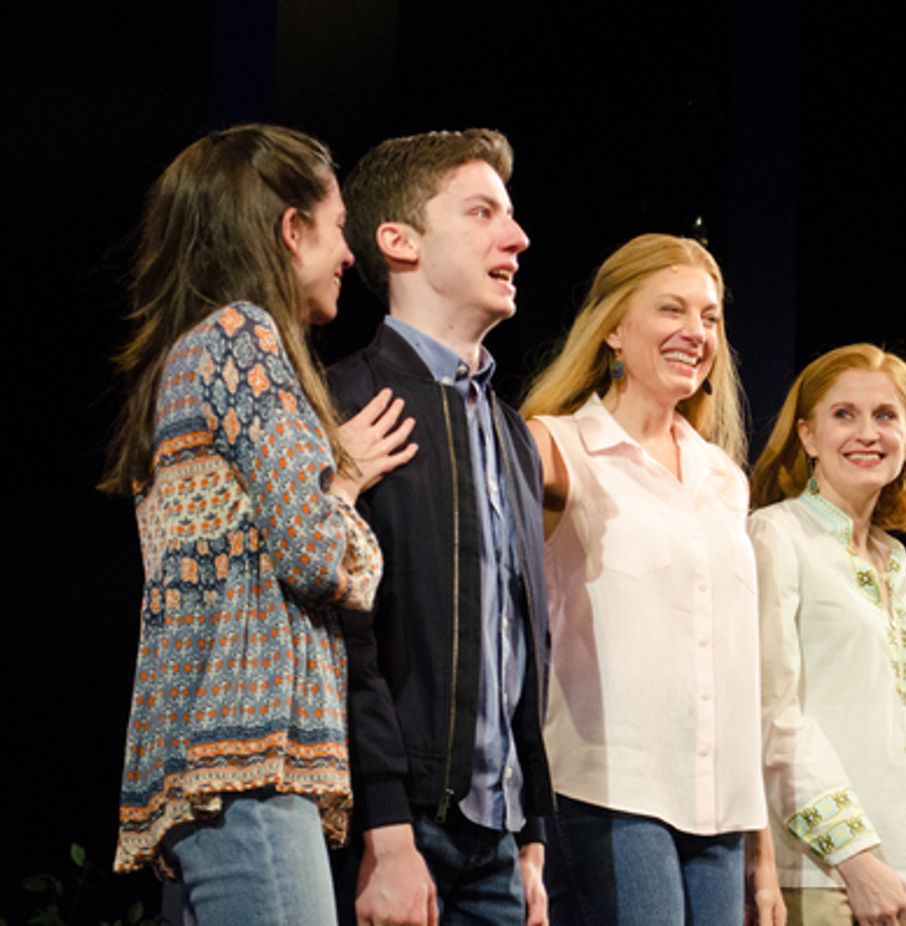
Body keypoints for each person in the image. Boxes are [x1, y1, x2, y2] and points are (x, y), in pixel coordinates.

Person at [101, 123, 417, 924]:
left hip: (208, 774)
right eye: (339, 228)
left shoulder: (187, 355)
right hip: (251, 767)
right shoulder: (244, 339)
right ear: (291, 229)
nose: (349, 256)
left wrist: (324, 482)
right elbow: (315, 555)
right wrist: (344, 505)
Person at [327, 128, 553, 926]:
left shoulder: (514, 433)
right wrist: (386, 834)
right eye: (482, 211)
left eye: (512, 215)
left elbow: (524, 637)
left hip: (499, 845)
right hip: (393, 831)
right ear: (399, 241)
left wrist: (532, 840)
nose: (517, 237)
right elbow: (341, 631)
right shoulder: (343, 403)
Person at [519, 234, 779, 925]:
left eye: (710, 317)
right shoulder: (556, 445)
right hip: (609, 791)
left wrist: (764, 847)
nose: (695, 332)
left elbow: (735, 662)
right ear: (611, 328)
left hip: (718, 805)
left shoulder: (724, 478)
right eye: (671, 310)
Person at [747, 344, 906, 926]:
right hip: (824, 876)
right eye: (844, 414)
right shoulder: (776, 536)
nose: (867, 433)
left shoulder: (895, 561)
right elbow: (772, 716)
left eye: (886, 416)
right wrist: (856, 859)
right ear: (807, 435)